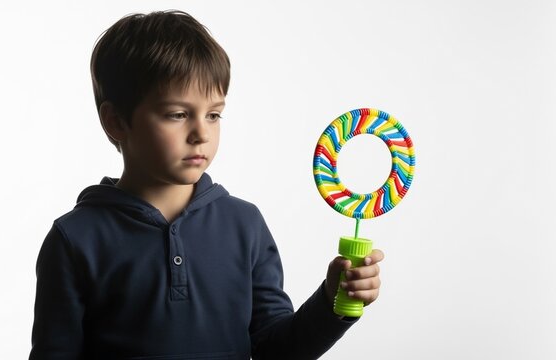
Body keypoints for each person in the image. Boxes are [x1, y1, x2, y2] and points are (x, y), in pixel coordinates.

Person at [29, 10, 384, 360]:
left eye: (213, 114)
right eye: (178, 114)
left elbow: (273, 349)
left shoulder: (245, 225)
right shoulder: (74, 239)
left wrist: (331, 303)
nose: (201, 134)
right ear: (116, 122)